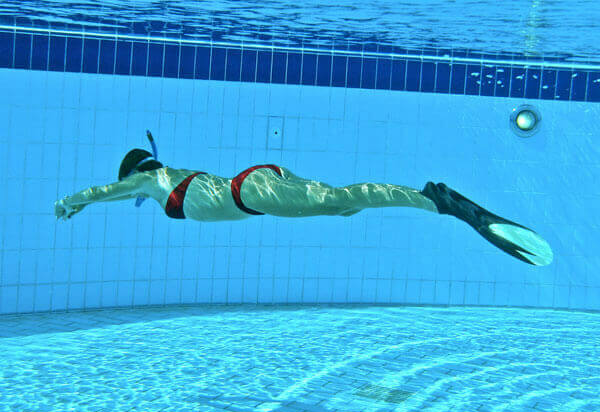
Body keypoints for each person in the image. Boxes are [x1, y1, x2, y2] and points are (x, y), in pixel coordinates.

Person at [54, 146, 553, 266]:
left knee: (341, 201)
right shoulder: (170, 175)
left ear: (135, 173)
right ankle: (430, 200)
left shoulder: (150, 178)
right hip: (256, 187)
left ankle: (436, 201)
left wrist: (71, 202)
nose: (131, 195)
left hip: (249, 192)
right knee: (340, 205)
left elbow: (102, 192)